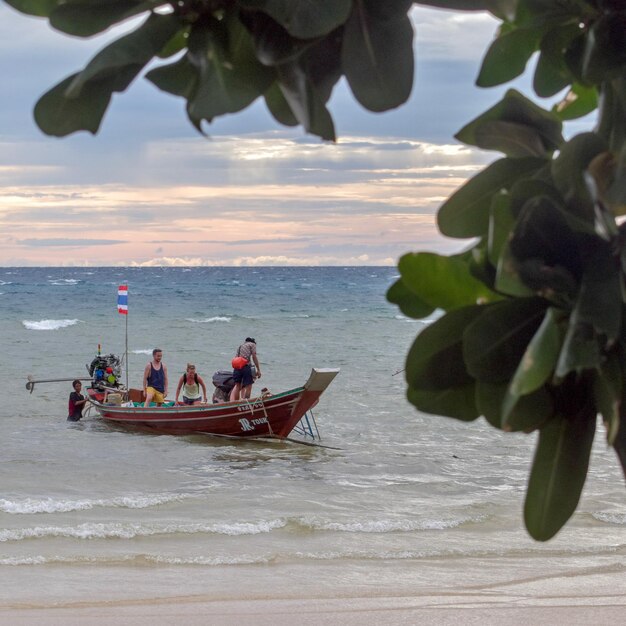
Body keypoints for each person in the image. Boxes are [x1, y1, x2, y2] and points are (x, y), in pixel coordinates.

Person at [230, 337, 261, 401]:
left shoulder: (240, 346)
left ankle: (236, 403)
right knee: (249, 386)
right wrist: (258, 370)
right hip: (245, 366)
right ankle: (247, 402)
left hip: (237, 367)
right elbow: (254, 356)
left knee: (238, 386)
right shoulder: (252, 344)